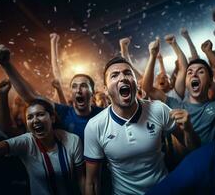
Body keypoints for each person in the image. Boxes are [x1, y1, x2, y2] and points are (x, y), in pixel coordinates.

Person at [84, 56, 200, 195]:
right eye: (114, 75)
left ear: (136, 84)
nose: (123, 78)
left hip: (164, 190)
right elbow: (92, 182)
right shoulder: (95, 126)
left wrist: (188, 129)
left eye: (127, 73)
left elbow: (194, 148)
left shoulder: (158, 109)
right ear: (106, 89)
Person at [0, 77, 85, 195]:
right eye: (30, 117)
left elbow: (81, 179)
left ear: (52, 118)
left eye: (40, 114)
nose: (35, 120)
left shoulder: (72, 140)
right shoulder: (27, 142)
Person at [0, 44, 103, 142]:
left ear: (92, 92)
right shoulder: (64, 112)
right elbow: (32, 96)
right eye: (74, 86)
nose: (78, 90)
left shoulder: (104, 115)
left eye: (83, 86)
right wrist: (6, 65)